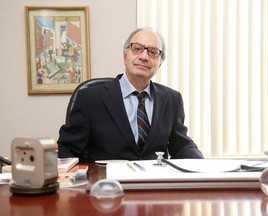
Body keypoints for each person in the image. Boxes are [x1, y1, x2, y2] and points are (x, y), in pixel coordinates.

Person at [57, 28, 204, 162]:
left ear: (159, 63)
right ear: (125, 56)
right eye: (137, 49)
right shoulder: (90, 98)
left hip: (155, 184)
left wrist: (205, 168)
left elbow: (181, 145)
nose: (144, 56)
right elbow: (68, 149)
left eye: (153, 52)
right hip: (108, 185)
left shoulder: (172, 99)